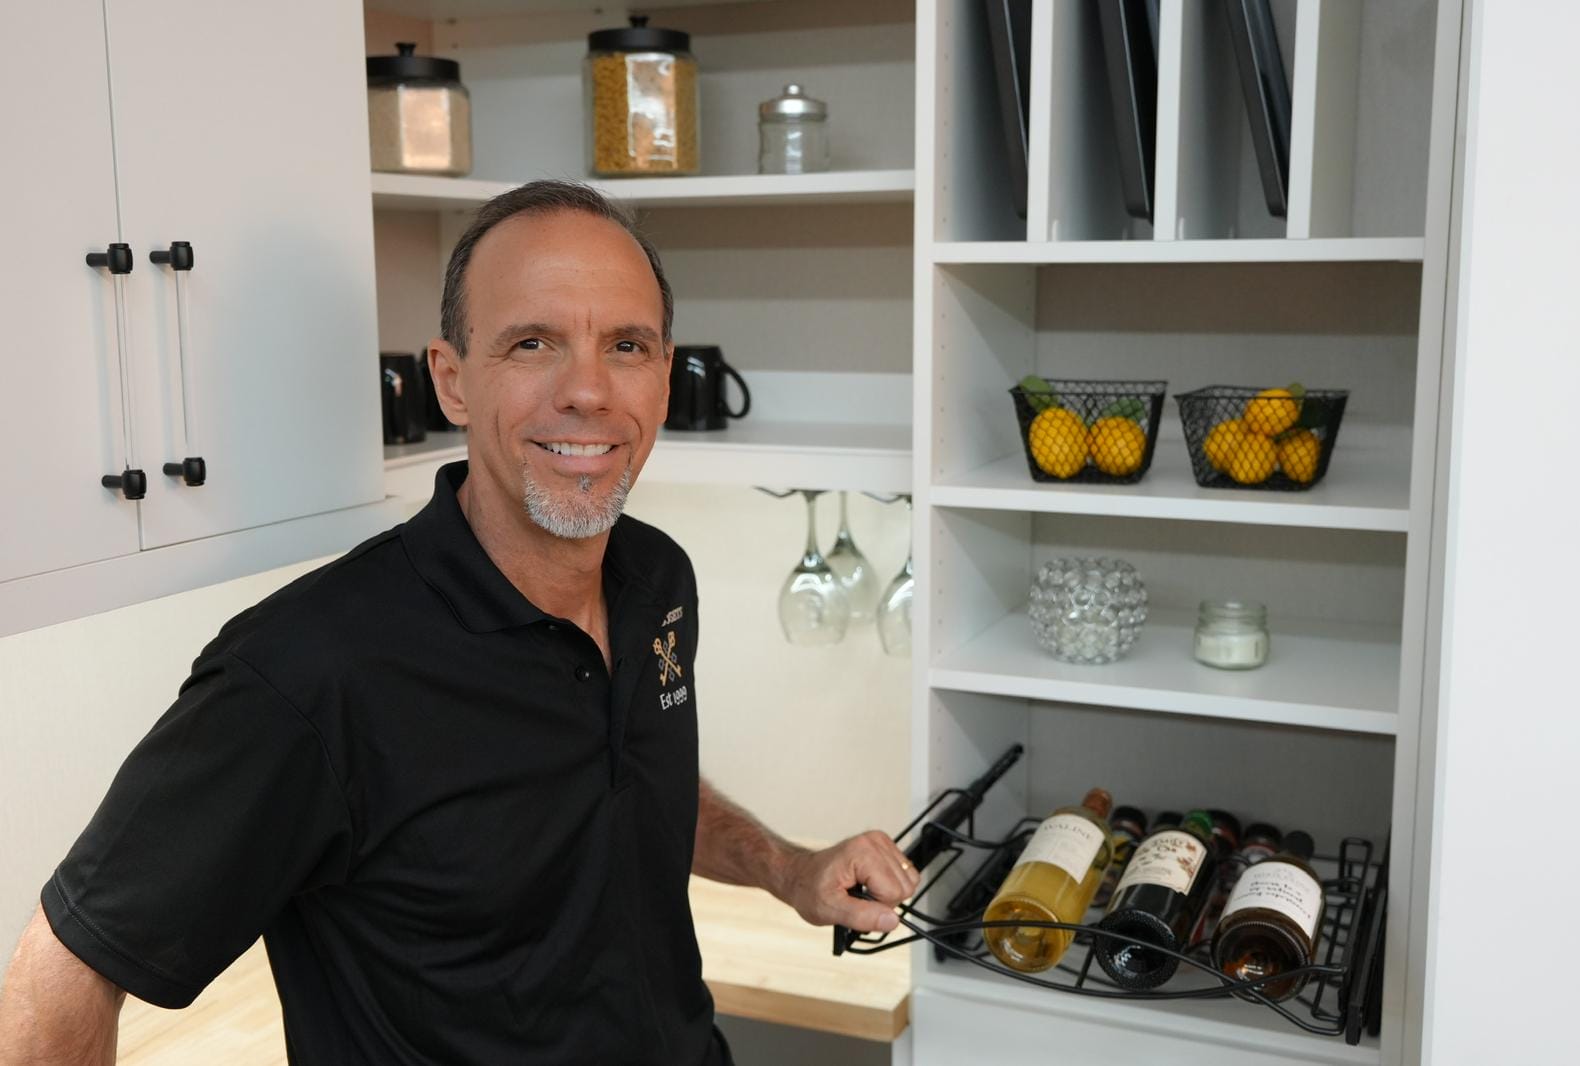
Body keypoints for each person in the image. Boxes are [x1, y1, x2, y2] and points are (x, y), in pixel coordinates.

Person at [0, 180, 918, 1065]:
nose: (589, 392)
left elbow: (639, 788)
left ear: (665, 378)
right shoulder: (309, 670)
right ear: (452, 382)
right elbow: (65, 969)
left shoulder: (654, 578)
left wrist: (789, 870)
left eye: (628, 347)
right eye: (532, 344)